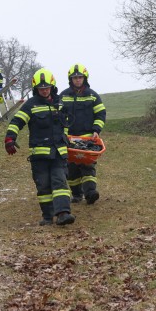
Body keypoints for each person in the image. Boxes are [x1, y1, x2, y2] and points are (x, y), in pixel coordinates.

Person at [4, 68, 75, 226]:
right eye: (41, 88)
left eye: (47, 88)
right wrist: (10, 138)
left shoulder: (60, 103)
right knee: (43, 185)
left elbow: (68, 122)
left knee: (60, 182)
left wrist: (67, 137)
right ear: (36, 89)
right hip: (39, 155)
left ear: (52, 87)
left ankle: (63, 213)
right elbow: (17, 122)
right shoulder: (31, 105)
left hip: (58, 153)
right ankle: (48, 216)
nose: (44, 91)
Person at [60, 63, 106, 205]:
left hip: (87, 139)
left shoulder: (93, 96)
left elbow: (101, 114)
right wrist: (62, 133)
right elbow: (58, 116)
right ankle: (77, 195)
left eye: (80, 77)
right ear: (70, 79)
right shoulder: (63, 95)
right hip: (70, 138)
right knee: (71, 168)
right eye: (75, 78)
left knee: (88, 166)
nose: (77, 80)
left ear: (84, 78)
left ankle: (90, 193)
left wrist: (96, 130)